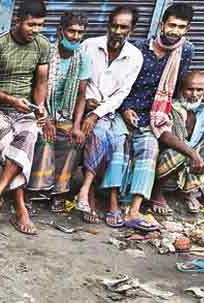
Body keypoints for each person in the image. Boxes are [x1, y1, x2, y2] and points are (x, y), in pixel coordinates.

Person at [101, 4, 195, 230]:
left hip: (154, 115)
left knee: (150, 149)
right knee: (118, 145)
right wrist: (125, 109)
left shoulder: (185, 51)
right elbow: (119, 86)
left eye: (181, 27)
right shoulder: (138, 49)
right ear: (162, 24)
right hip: (124, 109)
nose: (175, 31)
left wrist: (167, 115)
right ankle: (113, 205)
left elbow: (172, 89)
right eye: (171, 25)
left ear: (187, 29)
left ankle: (134, 210)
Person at [0, 0, 49, 236]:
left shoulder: (42, 45)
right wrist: (10, 100)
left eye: (40, 25)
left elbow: (41, 82)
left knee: (28, 137)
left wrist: (40, 107)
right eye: (31, 25)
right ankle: (20, 208)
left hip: (25, 110)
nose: (35, 30)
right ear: (19, 19)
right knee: (13, 149)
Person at [74, 6, 143, 228]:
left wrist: (97, 112)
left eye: (123, 27)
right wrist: (89, 106)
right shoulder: (89, 46)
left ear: (132, 29)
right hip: (82, 105)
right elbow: (79, 81)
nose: (117, 31)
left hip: (107, 111)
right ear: (108, 25)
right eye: (114, 26)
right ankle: (88, 192)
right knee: (101, 134)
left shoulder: (134, 56)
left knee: (118, 140)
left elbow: (122, 94)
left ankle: (99, 195)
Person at [26, 12, 91, 218]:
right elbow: (37, 88)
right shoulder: (46, 53)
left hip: (65, 113)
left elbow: (82, 94)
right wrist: (44, 119)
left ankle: (59, 192)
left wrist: (77, 125)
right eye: (71, 31)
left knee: (73, 140)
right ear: (60, 31)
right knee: (45, 138)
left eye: (80, 32)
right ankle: (34, 190)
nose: (75, 36)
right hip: (39, 110)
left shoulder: (82, 57)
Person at [154, 71, 204, 215]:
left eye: (199, 90)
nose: (194, 94)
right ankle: (157, 192)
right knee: (179, 153)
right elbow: (164, 135)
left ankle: (189, 191)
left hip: (193, 156)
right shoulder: (170, 108)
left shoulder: (201, 110)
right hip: (168, 155)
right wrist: (192, 153)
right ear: (181, 90)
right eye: (190, 89)